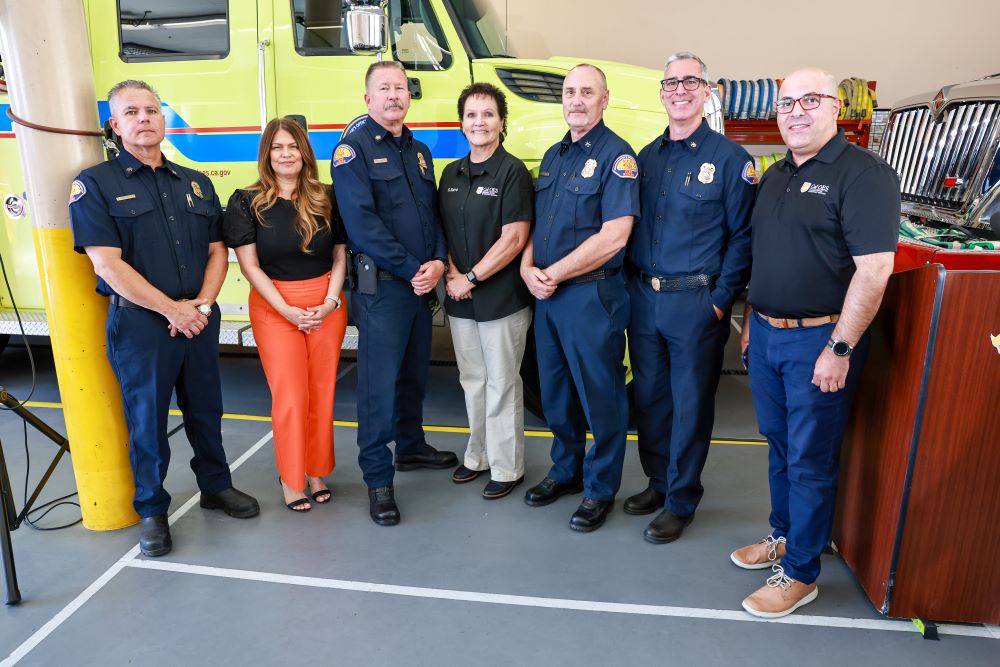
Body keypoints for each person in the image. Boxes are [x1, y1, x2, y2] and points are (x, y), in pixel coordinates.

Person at [731, 68, 899, 617]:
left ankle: (801, 573)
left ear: (835, 108)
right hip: (767, 335)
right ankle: (785, 536)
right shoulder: (776, 175)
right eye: (786, 103)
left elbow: (874, 270)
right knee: (779, 444)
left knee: (809, 459)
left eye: (810, 100)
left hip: (820, 342)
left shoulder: (864, 174)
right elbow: (766, 258)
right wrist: (752, 320)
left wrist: (840, 348)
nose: (796, 112)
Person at [69, 80, 259, 557]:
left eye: (152, 110)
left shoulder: (195, 182)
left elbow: (217, 252)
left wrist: (202, 306)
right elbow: (107, 265)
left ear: (163, 118)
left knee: (206, 410)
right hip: (141, 325)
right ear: (115, 125)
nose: (144, 118)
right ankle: (152, 510)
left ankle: (216, 486)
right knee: (148, 422)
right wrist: (172, 309)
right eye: (132, 112)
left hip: (198, 319)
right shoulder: (95, 184)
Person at [624, 52, 754, 543]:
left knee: (691, 404)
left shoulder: (731, 161)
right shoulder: (646, 158)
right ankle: (658, 482)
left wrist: (720, 300)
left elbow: (743, 238)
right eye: (671, 83)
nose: (679, 90)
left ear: (707, 91)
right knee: (651, 399)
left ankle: (681, 499)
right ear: (661, 93)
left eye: (690, 82)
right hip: (645, 299)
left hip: (696, 303)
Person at [331, 61, 457, 526]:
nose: (393, 95)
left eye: (400, 87)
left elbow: (433, 216)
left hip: (420, 285)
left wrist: (438, 261)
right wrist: (413, 269)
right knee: (378, 388)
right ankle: (378, 480)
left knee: (413, 375)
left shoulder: (419, 151)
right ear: (368, 99)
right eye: (383, 88)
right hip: (384, 288)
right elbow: (362, 224)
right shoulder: (352, 151)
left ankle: (411, 446)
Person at [520, 64, 639, 532]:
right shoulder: (554, 155)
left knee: (600, 397)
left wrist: (552, 272)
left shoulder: (618, 157)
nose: (577, 100)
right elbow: (538, 224)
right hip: (549, 297)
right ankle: (566, 470)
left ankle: (600, 489)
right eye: (570, 92)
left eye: (587, 92)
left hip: (591, 296)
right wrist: (528, 267)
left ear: (604, 100)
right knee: (555, 393)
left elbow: (615, 236)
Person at [224, 117, 348, 513]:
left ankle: (316, 471)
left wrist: (330, 301)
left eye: (293, 146)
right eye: (277, 147)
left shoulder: (328, 197)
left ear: (304, 152)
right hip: (275, 308)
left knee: (322, 393)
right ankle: (292, 478)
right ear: (267, 155)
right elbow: (250, 266)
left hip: (326, 306)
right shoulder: (246, 201)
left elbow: (340, 255)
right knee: (291, 397)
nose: (286, 154)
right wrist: (288, 311)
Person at [439, 83, 533, 499]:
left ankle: (507, 466)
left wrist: (471, 278)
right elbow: (443, 231)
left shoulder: (512, 172)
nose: (479, 122)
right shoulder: (450, 174)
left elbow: (514, 239)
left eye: (488, 114)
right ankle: (477, 456)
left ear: (501, 122)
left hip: (500, 299)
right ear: (462, 123)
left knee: (502, 383)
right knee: (473, 379)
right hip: (460, 297)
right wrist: (453, 275)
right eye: (472, 115)